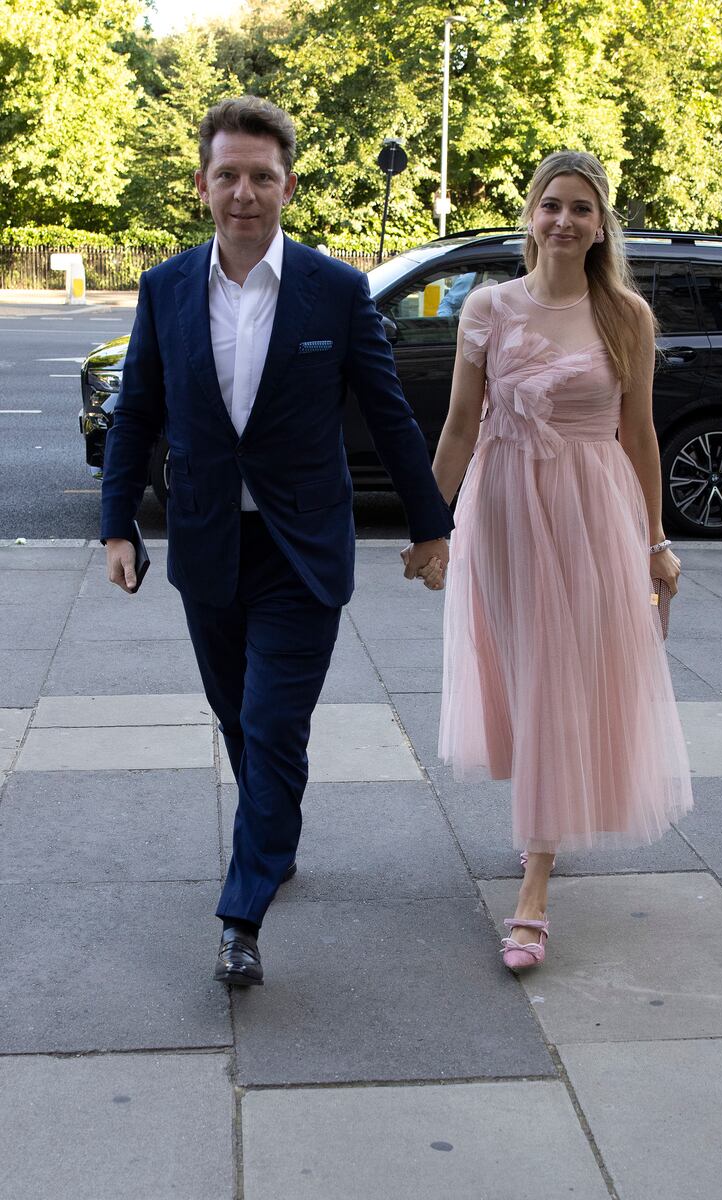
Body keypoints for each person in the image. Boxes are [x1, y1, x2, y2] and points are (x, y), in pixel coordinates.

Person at [101, 96, 452, 987]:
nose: (245, 192)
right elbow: (137, 407)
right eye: (229, 175)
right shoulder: (167, 286)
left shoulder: (334, 290)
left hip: (303, 551)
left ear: (288, 186)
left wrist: (430, 526)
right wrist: (117, 526)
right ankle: (276, 836)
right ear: (202, 184)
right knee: (237, 720)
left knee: (272, 722)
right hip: (211, 546)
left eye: (263, 177)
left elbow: (389, 413)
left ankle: (240, 916)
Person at [427, 150, 693, 970]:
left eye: (582, 207)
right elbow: (461, 427)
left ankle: (534, 888)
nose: (565, 221)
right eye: (552, 205)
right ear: (530, 214)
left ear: (601, 222)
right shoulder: (487, 307)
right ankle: (545, 815)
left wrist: (654, 543)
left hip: (589, 514)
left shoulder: (625, 316)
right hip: (503, 511)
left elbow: (640, 436)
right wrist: (429, 524)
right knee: (520, 672)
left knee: (558, 677)